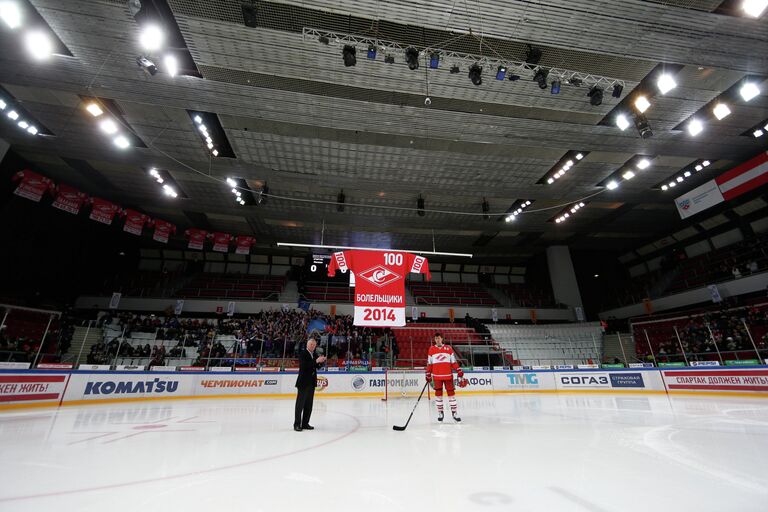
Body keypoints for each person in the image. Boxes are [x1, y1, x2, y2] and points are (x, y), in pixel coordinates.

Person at [425, 332, 463, 422]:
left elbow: (453, 362)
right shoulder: (431, 349)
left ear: (442, 339)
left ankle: (454, 413)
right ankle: (440, 413)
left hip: (448, 376)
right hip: (437, 377)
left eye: (439, 338)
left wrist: (458, 370)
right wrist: (428, 373)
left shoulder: (448, 349)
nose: (437, 340)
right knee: (438, 396)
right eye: (436, 338)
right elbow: (429, 363)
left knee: (451, 395)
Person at [294, 337, 326, 431]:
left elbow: (316, 366)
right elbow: (305, 366)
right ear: (307, 345)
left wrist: (321, 362)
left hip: (311, 383)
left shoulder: (315, 354)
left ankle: (305, 423)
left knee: (309, 405)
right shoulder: (303, 353)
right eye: (311, 344)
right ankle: (297, 424)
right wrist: (316, 361)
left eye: (314, 345)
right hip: (303, 383)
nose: (312, 346)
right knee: (300, 405)